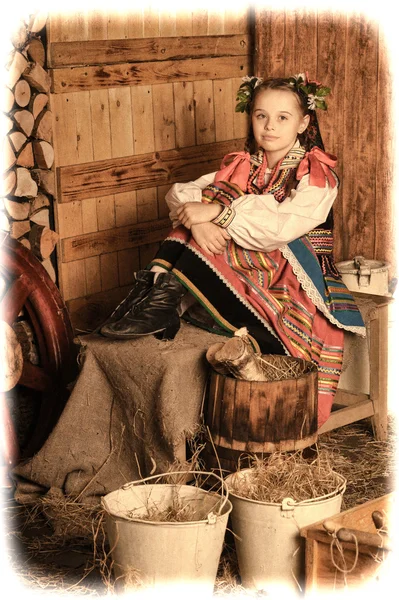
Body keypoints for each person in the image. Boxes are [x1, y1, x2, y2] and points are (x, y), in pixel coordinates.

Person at [100, 73, 365, 427]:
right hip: (251, 263)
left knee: (215, 201)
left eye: (282, 118)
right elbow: (181, 195)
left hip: (295, 277)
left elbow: (278, 229)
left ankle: (160, 295)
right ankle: (158, 299)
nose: (269, 127)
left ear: (303, 123)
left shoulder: (315, 173)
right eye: (260, 116)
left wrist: (217, 213)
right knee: (205, 202)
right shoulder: (244, 164)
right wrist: (201, 221)